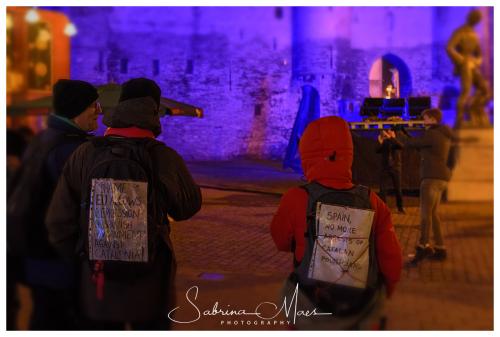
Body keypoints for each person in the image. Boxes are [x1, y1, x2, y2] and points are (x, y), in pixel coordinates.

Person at [45, 77, 202, 330]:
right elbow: (187, 207)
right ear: (153, 110)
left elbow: (58, 222)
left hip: (98, 283)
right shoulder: (164, 157)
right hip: (151, 285)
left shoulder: (85, 154)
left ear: (120, 106)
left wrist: (82, 260)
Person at [271, 116, 402, 330]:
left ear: (307, 156)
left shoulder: (296, 198)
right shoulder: (372, 201)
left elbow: (281, 241)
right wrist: (387, 289)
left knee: (291, 290)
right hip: (360, 307)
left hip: (310, 304)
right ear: (348, 154)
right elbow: (391, 257)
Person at [7, 79, 100, 329]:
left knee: (44, 318)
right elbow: (86, 207)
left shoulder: (43, 140)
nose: (99, 112)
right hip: (58, 262)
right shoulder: (70, 149)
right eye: (94, 105)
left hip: (36, 255)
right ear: (77, 108)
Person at [391, 108, 454, 265]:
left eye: (425, 118)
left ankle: (423, 246)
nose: (423, 121)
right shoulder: (442, 134)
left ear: (433, 119)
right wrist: (404, 133)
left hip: (431, 179)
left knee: (425, 214)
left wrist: (396, 134)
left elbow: (412, 144)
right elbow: (419, 145)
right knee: (433, 215)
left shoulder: (432, 133)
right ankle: (440, 249)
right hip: (441, 179)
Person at [447, 8, 491, 128]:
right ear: (470, 18)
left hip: (472, 65)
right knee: (465, 92)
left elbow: (479, 54)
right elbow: (450, 47)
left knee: (485, 91)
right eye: (475, 18)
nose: (477, 20)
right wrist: (462, 60)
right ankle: (459, 120)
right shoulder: (460, 32)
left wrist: (477, 61)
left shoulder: (474, 34)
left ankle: (473, 110)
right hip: (465, 65)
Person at [376, 129, 405, 214]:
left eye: (390, 132)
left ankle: (400, 208)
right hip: (385, 168)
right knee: (382, 190)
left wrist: (392, 138)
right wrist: (381, 142)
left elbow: (401, 146)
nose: (387, 135)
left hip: (396, 168)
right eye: (386, 133)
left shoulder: (396, 141)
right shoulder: (384, 142)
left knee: (398, 189)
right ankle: (383, 209)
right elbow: (377, 150)